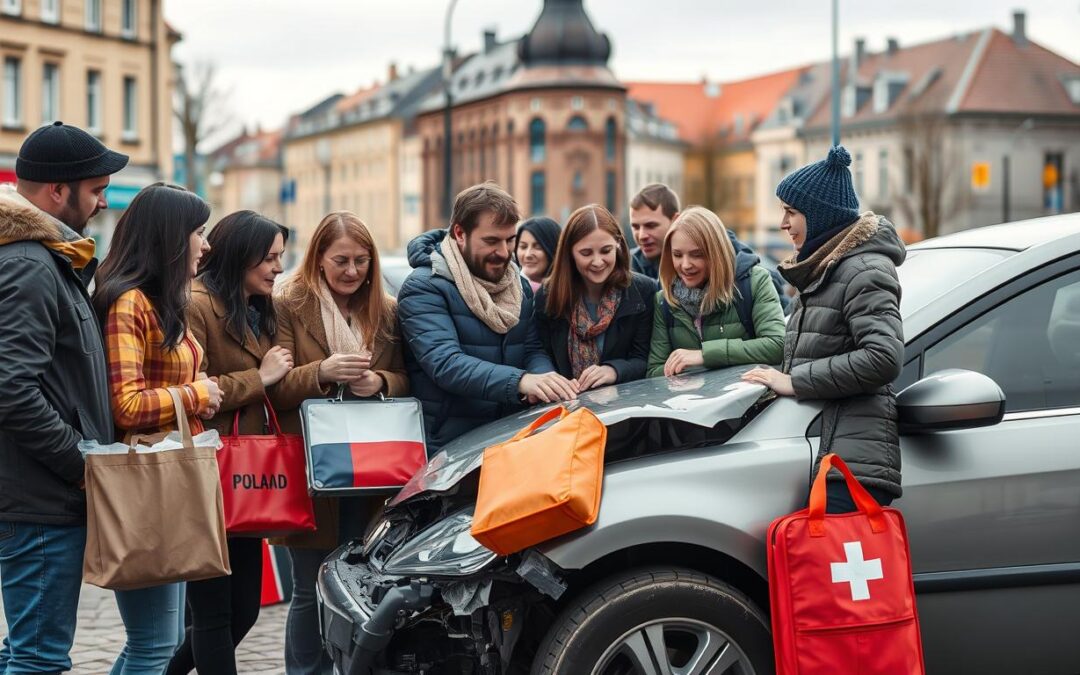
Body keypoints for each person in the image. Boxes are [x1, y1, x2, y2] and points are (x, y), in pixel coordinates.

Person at [0, 122, 127, 674]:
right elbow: (10, 387)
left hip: (39, 494)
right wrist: (78, 462)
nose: (103, 201)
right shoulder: (30, 263)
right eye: (96, 189)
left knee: (26, 650)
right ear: (57, 191)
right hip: (40, 500)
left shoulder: (49, 257)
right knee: (39, 659)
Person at [92, 183, 225, 675]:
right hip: (146, 483)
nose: (205, 245)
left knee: (155, 642)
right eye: (198, 233)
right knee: (153, 645)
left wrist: (197, 394)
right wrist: (196, 395)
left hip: (167, 481)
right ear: (169, 239)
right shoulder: (130, 303)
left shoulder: (162, 301)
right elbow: (125, 404)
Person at [269, 211, 408, 675]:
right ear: (318, 260)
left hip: (373, 466)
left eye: (362, 261)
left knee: (360, 582)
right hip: (314, 466)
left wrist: (382, 382)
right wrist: (322, 373)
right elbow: (277, 388)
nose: (352, 272)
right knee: (310, 587)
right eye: (341, 261)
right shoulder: (289, 303)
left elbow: (409, 381)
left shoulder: (386, 309)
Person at [742, 145, 905, 512]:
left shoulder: (864, 270)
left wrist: (795, 381)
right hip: (825, 451)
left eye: (791, 212)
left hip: (849, 466)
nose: (783, 223)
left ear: (819, 216)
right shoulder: (826, 270)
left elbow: (882, 358)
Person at [166, 211, 292, 675]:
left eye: (281, 257)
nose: (278, 267)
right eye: (270, 258)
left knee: (243, 612)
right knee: (215, 615)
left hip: (245, 480)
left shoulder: (257, 307)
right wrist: (257, 378)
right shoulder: (197, 305)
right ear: (240, 255)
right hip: (207, 472)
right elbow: (195, 390)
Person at [397, 182, 576, 452]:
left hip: (509, 435)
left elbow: (530, 349)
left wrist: (547, 380)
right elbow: (446, 363)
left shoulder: (518, 283)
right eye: (491, 241)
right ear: (460, 233)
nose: (504, 253)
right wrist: (520, 382)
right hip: (449, 445)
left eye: (509, 240)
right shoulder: (424, 287)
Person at [647, 206, 785, 378]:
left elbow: (777, 345)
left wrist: (704, 355)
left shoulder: (754, 282)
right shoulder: (664, 300)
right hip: (691, 403)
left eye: (696, 254)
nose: (685, 265)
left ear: (716, 253)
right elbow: (654, 373)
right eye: (677, 255)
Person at [534, 204, 657, 390]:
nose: (598, 262)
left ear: (618, 245)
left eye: (606, 251)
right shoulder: (548, 295)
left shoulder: (643, 291)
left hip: (624, 406)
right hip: (567, 406)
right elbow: (539, 351)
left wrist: (614, 371)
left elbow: (644, 358)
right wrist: (550, 379)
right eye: (586, 253)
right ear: (570, 253)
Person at [631, 182, 791, 312]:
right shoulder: (629, 267)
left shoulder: (737, 261)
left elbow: (779, 315)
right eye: (635, 227)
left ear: (676, 220)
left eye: (651, 225)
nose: (642, 235)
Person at [515, 216, 561, 292]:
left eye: (537, 247)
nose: (528, 255)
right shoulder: (507, 289)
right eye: (523, 247)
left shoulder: (569, 292)